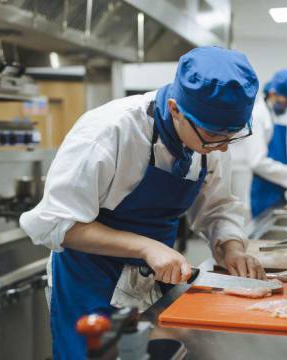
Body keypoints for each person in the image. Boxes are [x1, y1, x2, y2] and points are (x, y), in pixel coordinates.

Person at [20, 46, 267, 359]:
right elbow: (53, 224)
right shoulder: (108, 132)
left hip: (155, 281)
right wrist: (146, 247)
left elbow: (216, 208)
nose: (221, 149)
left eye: (232, 137)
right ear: (176, 110)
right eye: (213, 137)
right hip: (89, 281)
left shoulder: (211, 138)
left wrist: (231, 244)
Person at [230, 70, 287, 218]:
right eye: (285, 101)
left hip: (275, 191)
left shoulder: (272, 117)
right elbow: (257, 162)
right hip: (259, 193)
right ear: (272, 93)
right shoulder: (257, 115)